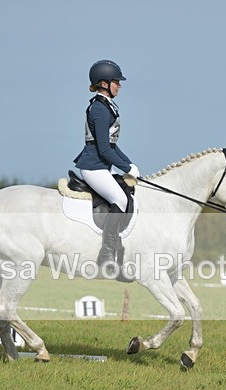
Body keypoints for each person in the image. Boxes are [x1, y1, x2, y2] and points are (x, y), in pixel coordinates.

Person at [73, 59, 140, 268]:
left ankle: (118, 253)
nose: (119, 85)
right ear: (104, 83)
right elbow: (103, 149)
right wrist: (126, 168)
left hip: (101, 166)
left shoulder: (108, 106)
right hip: (93, 167)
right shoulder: (99, 110)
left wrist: (130, 164)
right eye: (116, 82)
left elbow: (112, 145)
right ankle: (106, 254)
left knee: (126, 193)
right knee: (119, 199)